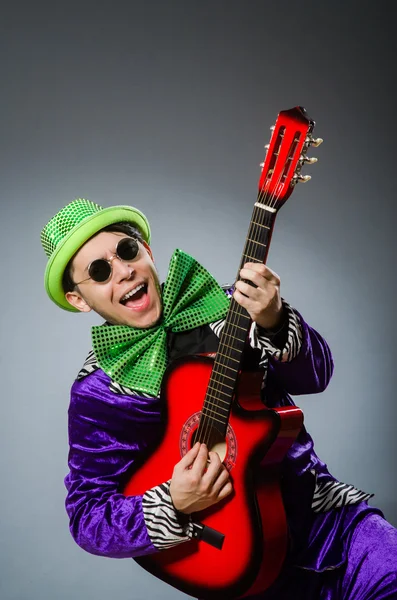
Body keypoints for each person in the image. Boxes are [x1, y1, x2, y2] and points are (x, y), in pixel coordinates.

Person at [41, 198, 397, 599]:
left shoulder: (233, 308)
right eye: (99, 271)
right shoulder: (98, 391)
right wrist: (172, 502)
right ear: (79, 299)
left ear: (148, 252)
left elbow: (316, 376)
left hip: (329, 525)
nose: (123, 271)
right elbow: (88, 517)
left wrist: (276, 320)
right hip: (238, 563)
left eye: (127, 251)